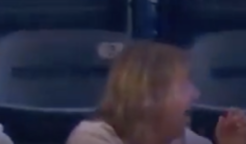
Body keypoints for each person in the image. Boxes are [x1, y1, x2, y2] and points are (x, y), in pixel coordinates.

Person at [66, 41, 246, 144]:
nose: (195, 94)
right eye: (184, 85)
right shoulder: (91, 138)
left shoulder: (186, 140)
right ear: (151, 94)